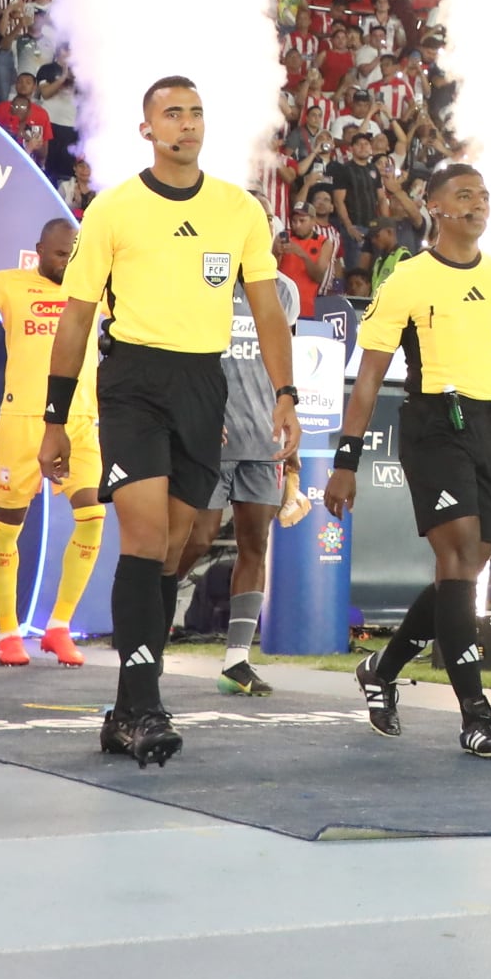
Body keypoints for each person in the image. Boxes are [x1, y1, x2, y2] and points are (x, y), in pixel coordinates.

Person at [33, 77, 298, 770]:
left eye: (195, 113)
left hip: (202, 383)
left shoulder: (238, 209)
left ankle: (126, 706)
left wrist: (285, 392)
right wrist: (54, 419)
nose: (186, 124)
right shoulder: (114, 209)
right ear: (146, 128)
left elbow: (268, 310)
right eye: (171, 114)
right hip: (133, 382)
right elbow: (77, 318)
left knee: (179, 545)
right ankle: (145, 706)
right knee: (146, 537)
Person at [329, 162, 491, 759]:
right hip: (434, 423)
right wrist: (345, 461)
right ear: (435, 207)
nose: (478, 203)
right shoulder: (407, 278)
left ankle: (383, 668)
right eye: (464, 195)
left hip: (489, 428)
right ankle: (476, 716)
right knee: (455, 556)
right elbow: (368, 378)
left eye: (484, 193)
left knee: (464, 572)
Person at [0, 217, 107, 667]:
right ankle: (9, 632)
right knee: (8, 524)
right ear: (39, 249)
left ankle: (59, 627)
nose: (67, 262)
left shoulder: (94, 293)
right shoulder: (8, 285)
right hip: (21, 421)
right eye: (60, 253)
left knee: (92, 516)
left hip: (79, 420)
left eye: (74, 254)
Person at [205, 272, 291, 697]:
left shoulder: (284, 290)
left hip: (262, 440)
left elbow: (285, 363)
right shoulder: (206, 275)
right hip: (209, 437)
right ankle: (148, 642)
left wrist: (291, 417)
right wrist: (197, 410)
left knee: (255, 545)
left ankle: (236, 661)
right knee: (190, 540)